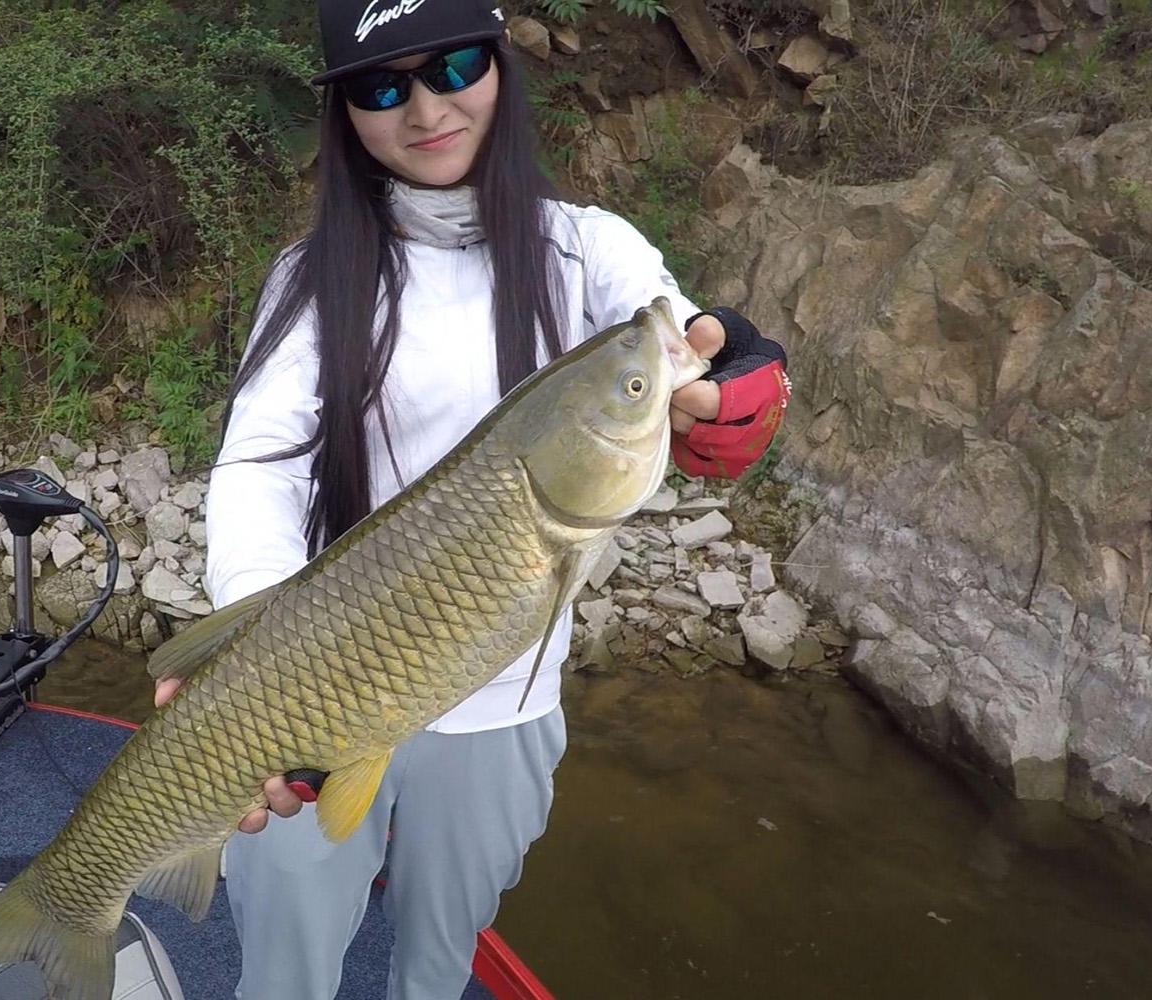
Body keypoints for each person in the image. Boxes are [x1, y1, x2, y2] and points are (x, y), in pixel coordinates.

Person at [152, 2, 791, 996]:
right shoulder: (309, 277)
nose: (425, 109)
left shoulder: (590, 249)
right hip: (319, 682)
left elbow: (694, 350)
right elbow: (260, 467)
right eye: (380, 85)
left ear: (498, 64)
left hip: (504, 709)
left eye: (452, 66)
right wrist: (259, 645)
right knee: (284, 963)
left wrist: (733, 380)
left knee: (440, 959)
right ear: (344, 113)